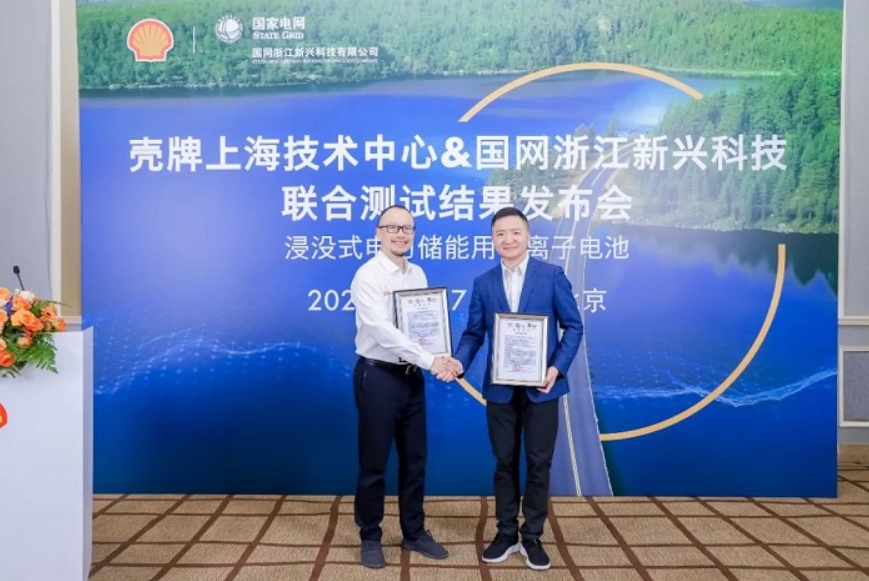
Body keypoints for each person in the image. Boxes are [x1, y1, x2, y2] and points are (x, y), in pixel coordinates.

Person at [453, 207, 584, 571]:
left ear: (528, 236)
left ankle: (533, 536)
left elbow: (574, 326)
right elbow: (473, 334)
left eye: (514, 232)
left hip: (543, 388)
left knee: (539, 464)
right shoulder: (484, 283)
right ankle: (506, 532)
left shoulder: (551, 275)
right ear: (492, 240)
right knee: (504, 462)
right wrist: (459, 362)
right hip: (500, 391)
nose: (507, 240)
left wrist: (556, 368)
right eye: (500, 234)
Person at [350, 204, 461, 569]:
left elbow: (422, 328)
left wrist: (440, 356)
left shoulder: (418, 273)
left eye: (407, 228)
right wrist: (431, 361)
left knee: (415, 460)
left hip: (412, 377)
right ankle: (370, 535)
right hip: (378, 377)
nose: (401, 234)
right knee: (374, 461)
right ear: (378, 233)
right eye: (393, 227)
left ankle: (413, 532)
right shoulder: (367, 276)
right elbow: (383, 331)